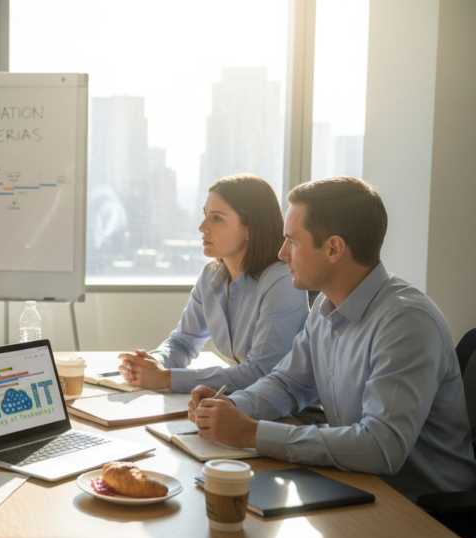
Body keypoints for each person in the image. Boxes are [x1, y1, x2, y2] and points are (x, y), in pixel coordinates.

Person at [190, 177, 476, 501]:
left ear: (333, 249)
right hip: (362, 487)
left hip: (426, 512)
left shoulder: (406, 324)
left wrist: (252, 433)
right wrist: (228, 407)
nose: (282, 253)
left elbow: (381, 447)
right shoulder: (325, 309)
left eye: (292, 242)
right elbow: (288, 384)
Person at [118, 174, 309, 393]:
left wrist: (166, 378)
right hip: (243, 402)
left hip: (291, 412)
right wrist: (152, 364)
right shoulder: (211, 276)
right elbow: (183, 342)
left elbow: (260, 373)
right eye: (205, 215)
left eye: (217, 218)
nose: (202, 227)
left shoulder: (281, 282)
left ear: (251, 229)